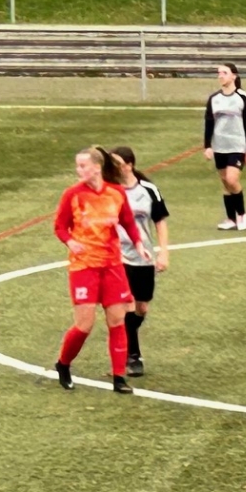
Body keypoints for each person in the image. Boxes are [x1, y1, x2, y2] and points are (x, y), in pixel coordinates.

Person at [52, 146, 152, 396]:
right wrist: (70, 241)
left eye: (83, 165)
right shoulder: (72, 194)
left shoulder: (116, 193)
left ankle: (119, 378)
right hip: (84, 266)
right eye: (78, 166)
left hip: (112, 266)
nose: (79, 170)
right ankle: (63, 364)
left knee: (117, 321)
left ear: (97, 167)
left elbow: (127, 221)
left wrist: (139, 244)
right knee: (84, 325)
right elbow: (60, 226)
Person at [109, 145, 170, 379]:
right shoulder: (109, 190)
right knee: (127, 305)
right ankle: (133, 356)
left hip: (143, 256)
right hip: (118, 257)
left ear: (129, 165)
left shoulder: (148, 190)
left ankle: (124, 335)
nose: (114, 168)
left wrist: (163, 252)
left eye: (118, 164)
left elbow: (160, 222)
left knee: (141, 308)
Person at [202, 62, 246, 231]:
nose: (221, 76)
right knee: (225, 182)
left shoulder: (242, 97)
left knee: (232, 180)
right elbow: (209, 123)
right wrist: (207, 146)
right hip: (220, 146)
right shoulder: (214, 99)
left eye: (224, 73)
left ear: (234, 76)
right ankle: (231, 219)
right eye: (219, 73)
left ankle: (242, 214)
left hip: (237, 146)